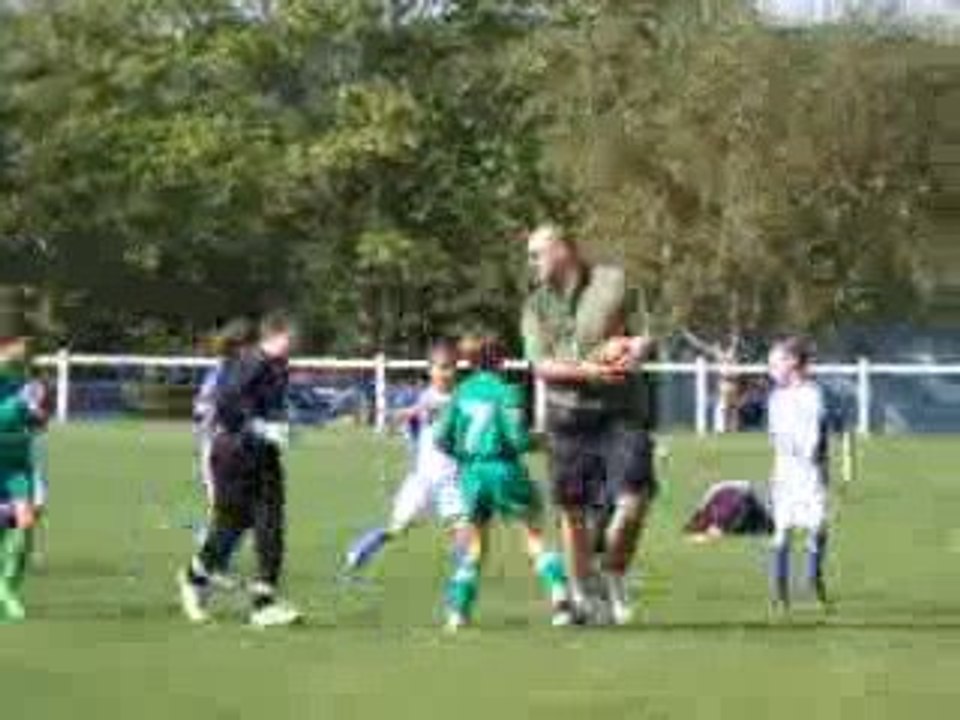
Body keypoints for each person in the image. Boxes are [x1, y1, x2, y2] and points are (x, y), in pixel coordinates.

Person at [521, 223, 657, 625]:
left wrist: (633, 350)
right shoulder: (536, 306)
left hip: (622, 412)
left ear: (563, 250)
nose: (532, 263)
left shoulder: (614, 283)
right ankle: (583, 594)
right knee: (572, 510)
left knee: (635, 498)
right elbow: (541, 365)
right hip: (568, 415)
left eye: (537, 254)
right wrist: (589, 371)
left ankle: (613, 571)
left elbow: (646, 335)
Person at [435, 335, 573, 631]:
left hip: (471, 474)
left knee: (474, 548)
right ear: (500, 361)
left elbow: (440, 438)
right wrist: (541, 441)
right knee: (534, 536)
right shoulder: (507, 392)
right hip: (503, 469)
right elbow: (518, 439)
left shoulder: (461, 392)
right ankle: (561, 602)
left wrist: (465, 456)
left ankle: (457, 613)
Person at [178, 313, 301, 628]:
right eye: (291, 337)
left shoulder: (280, 367)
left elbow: (271, 405)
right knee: (230, 526)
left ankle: (264, 604)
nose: (296, 343)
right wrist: (259, 427)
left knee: (270, 527)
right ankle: (193, 578)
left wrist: (284, 424)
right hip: (233, 456)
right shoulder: (251, 363)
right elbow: (226, 404)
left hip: (264, 457)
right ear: (274, 335)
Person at [343, 339, 467, 572]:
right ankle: (363, 547)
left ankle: (463, 579)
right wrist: (402, 417)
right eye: (440, 367)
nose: (445, 373)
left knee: (463, 530)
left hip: (453, 481)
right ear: (430, 370)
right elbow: (425, 409)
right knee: (398, 528)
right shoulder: (427, 397)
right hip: (424, 480)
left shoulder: (461, 398)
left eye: (450, 367)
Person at [767, 336, 831, 613]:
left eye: (775, 363)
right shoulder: (776, 398)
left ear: (792, 363)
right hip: (785, 474)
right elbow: (777, 437)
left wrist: (821, 464)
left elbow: (818, 436)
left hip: (810, 473)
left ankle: (813, 579)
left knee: (817, 525)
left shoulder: (813, 394)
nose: (771, 369)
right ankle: (780, 593)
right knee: (782, 529)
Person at [0, 334, 50, 622]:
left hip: (17, 465)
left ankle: (8, 589)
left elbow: (40, 424)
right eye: (20, 345)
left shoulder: (28, 384)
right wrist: (19, 408)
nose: (25, 352)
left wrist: (37, 413)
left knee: (26, 522)